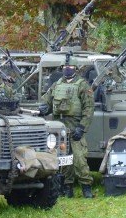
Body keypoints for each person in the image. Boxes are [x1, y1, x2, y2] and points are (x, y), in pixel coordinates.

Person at [38, 55, 95, 198]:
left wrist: (82, 127)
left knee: (79, 159)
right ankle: (67, 188)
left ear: (76, 68)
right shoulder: (56, 84)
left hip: (75, 126)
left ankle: (86, 187)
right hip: (59, 127)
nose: (67, 69)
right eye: (64, 67)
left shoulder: (82, 85)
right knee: (63, 159)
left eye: (70, 67)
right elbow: (47, 101)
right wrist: (44, 108)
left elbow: (89, 108)